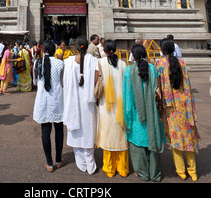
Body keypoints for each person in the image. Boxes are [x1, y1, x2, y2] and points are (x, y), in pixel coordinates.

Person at [156, 40, 200, 181]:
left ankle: (181, 171)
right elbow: (187, 84)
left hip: (171, 107)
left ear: (162, 51)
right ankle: (193, 171)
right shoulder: (182, 63)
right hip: (185, 107)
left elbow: (159, 87)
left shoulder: (160, 64)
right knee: (188, 139)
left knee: (176, 141)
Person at [123, 44, 166, 182]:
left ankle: (142, 173)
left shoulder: (129, 71)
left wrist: (127, 117)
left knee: (137, 145)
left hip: (136, 115)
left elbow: (127, 97)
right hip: (151, 113)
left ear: (133, 56)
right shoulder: (153, 69)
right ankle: (155, 174)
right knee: (152, 141)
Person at [63, 35, 99, 175]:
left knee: (75, 133)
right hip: (88, 103)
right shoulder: (94, 61)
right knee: (88, 131)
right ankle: (90, 163)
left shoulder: (68, 62)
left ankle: (81, 163)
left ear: (76, 47)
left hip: (73, 102)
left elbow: (63, 82)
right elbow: (96, 81)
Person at [96, 39, 129, 178]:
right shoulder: (123, 64)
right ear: (115, 50)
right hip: (121, 105)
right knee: (121, 136)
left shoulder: (100, 63)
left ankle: (109, 168)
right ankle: (123, 168)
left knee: (108, 135)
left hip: (106, 107)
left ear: (104, 50)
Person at [33, 40, 65, 172]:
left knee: (45, 131)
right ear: (54, 50)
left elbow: (35, 81)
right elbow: (63, 82)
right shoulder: (60, 63)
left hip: (43, 101)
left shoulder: (37, 62)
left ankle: (49, 163)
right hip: (57, 100)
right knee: (59, 130)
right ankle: (58, 160)